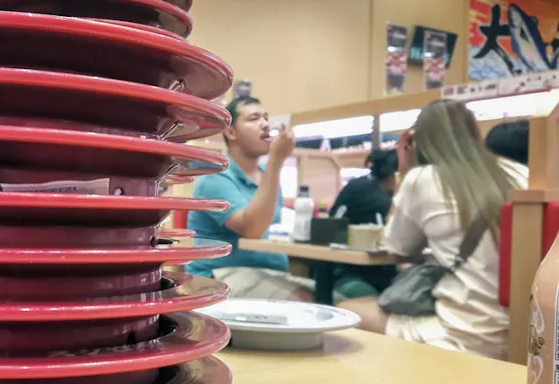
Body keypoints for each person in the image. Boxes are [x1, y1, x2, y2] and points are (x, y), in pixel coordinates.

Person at [338, 99, 527, 359]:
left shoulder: (422, 178)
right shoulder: (520, 173)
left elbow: (395, 247)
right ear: (475, 133)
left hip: (461, 335)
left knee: (347, 309)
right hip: (524, 336)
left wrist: (404, 169)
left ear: (418, 142)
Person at [187, 97, 312, 301]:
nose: (265, 124)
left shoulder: (266, 174)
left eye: (266, 117)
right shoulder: (215, 176)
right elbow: (252, 230)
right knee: (309, 301)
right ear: (231, 132)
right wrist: (276, 160)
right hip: (220, 276)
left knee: (337, 297)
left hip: (268, 274)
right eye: (253, 118)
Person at [325, 149, 399, 299]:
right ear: (393, 177)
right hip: (347, 273)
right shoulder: (377, 198)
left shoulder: (359, 186)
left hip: (343, 268)